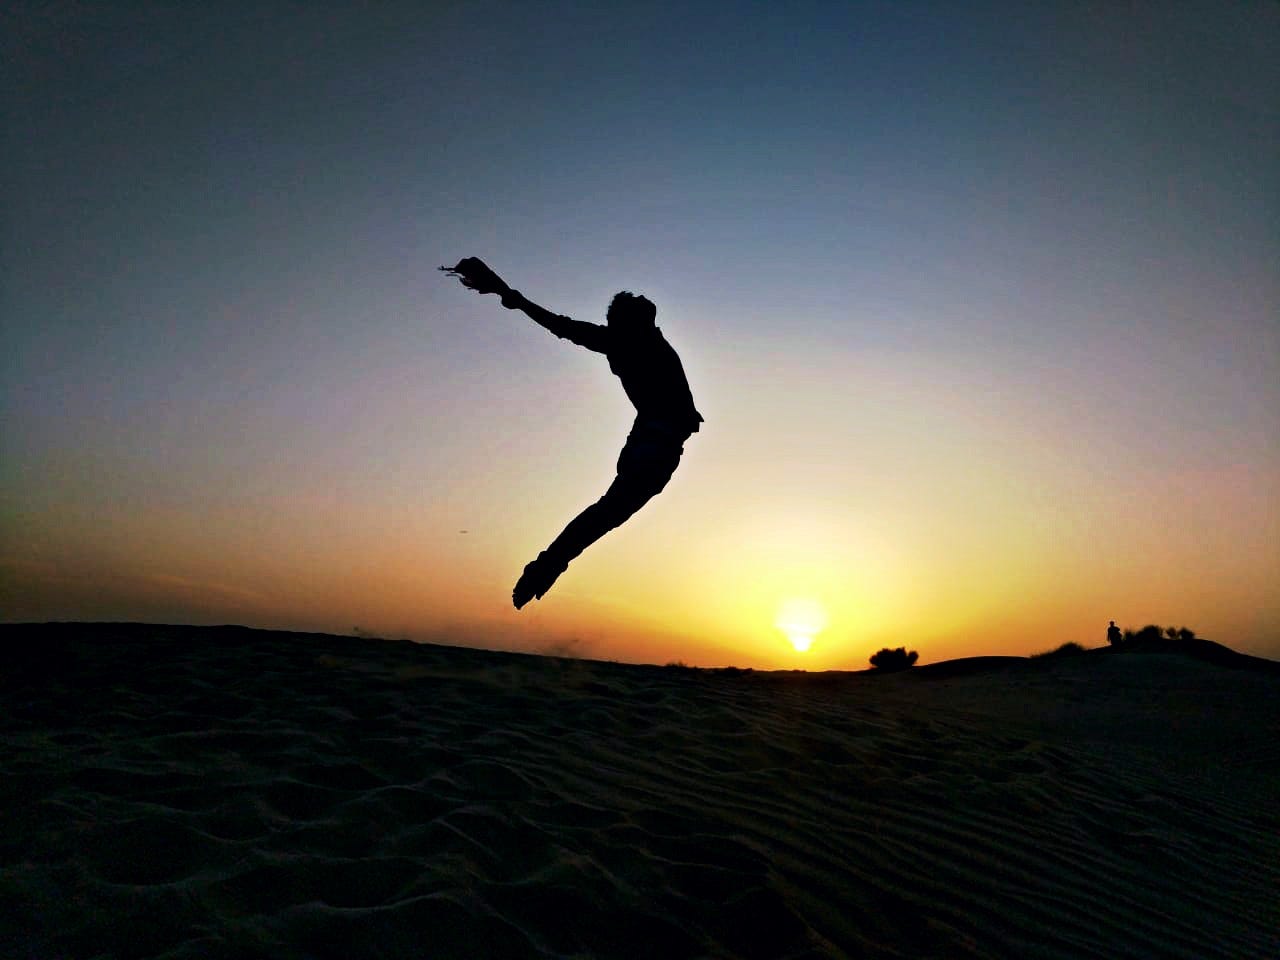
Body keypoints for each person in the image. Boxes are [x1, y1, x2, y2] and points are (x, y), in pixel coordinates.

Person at [440, 257, 703, 608]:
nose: (644, 304)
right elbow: (564, 327)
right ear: (627, 322)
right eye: (636, 310)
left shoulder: (640, 341)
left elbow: (565, 327)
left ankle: (548, 564)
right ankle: (548, 564)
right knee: (610, 512)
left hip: (657, 443)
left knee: (609, 513)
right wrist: (512, 296)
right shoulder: (630, 341)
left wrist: (511, 296)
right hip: (654, 442)